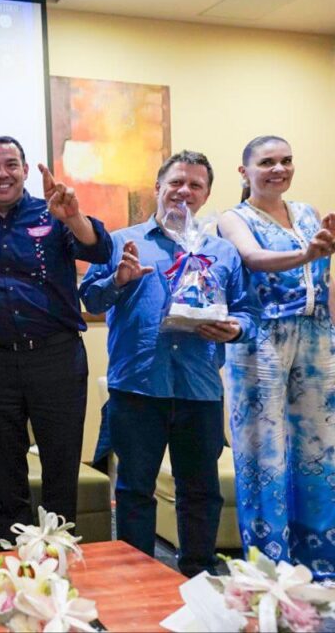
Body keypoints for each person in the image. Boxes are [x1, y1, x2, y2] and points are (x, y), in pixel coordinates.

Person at [80, 150, 261, 576]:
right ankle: (137, 579)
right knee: (134, 491)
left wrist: (234, 328)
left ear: (207, 194)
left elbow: (250, 313)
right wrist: (117, 280)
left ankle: (199, 576)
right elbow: (88, 298)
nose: (184, 191)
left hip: (200, 389)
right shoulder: (122, 243)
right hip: (137, 388)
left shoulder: (223, 252)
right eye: (176, 182)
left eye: (195, 185)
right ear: (158, 187)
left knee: (201, 493)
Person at [0, 136, 112, 544]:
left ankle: (57, 558)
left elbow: (100, 250)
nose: (1, 174)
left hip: (56, 358)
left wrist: (73, 217)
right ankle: (11, 558)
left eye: (10, 165)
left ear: (24, 170)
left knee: (60, 465)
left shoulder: (55, 213)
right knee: (5, 471)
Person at [218, 135, 335, 578]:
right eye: (267, 162)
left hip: (316, 335)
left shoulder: (307, 212)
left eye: (286, 160)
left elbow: (324, 280)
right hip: (262, 338)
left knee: (320, 450)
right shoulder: (234, 218)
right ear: (244, 171)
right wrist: (306, 253)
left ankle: (320, 566)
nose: (279, 169)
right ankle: (271, 568)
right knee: (263, 452)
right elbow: (252, 257)